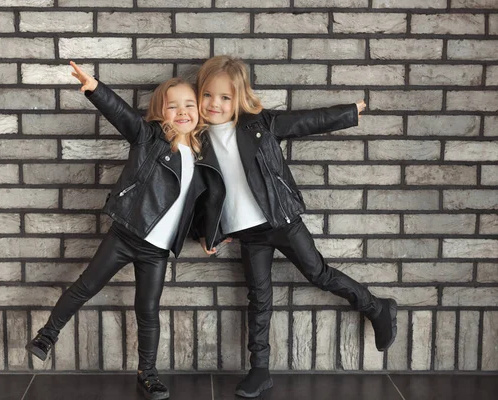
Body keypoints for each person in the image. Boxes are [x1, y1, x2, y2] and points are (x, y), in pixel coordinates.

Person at [192, 55, 398, 398]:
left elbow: (304, 122)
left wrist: (348, 113)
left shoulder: (258, 124)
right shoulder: (198, 141)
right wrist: (205, 232)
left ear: (239, 98)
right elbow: (201, 195)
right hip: (247, 233)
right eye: (208, 96)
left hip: (283, 220)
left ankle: (376, 307)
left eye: (225, 97)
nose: (215, 104)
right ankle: (259, 371)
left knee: (319, 274)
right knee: (258, 298)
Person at [25, 61, 205, 400]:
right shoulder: (149, 138)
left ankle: (147, 374)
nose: (182, 111)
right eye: (173, 106)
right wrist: (96, 88)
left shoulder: (200, 154)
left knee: (148, 312)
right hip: (125, 235)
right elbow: (122, 115)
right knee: (85, 286)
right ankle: (46, 336)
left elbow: (200, 205)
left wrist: (210, 236)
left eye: (189, 105)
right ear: (160, 112)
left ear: (198, 110)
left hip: (157, 250)